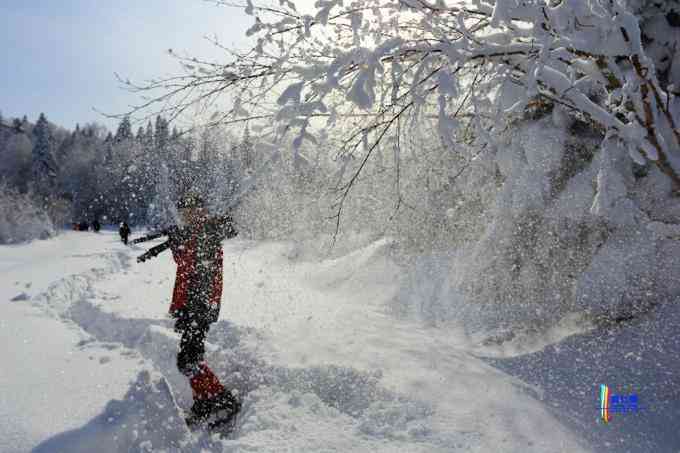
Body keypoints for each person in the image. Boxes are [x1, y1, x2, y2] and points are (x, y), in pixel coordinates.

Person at [135, 193, 240, 427]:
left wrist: (187, 238)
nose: (187, 215)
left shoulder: (209, 230)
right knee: (191, 356)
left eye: (192, 211)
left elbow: (199, 261)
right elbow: (186, 265)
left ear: (201, 210)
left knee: (187, 360)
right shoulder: (194, 232)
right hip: (190, 305)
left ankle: (223, 400)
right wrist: (178, 242)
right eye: (184, 213)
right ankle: (203, 402)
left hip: (200, 305)